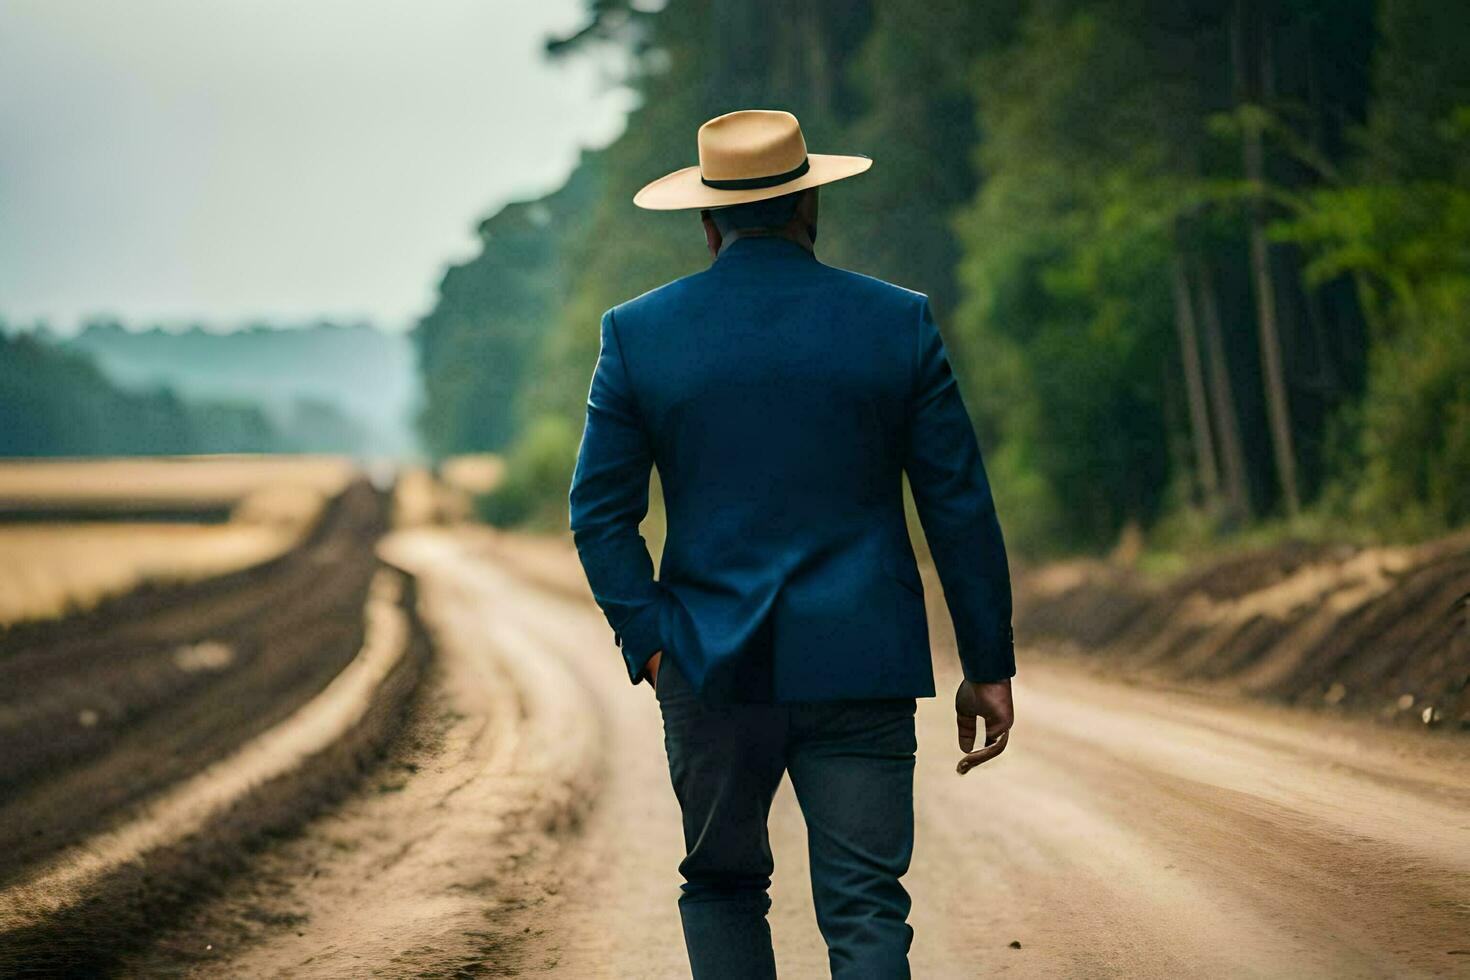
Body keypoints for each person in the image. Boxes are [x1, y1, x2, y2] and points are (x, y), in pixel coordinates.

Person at [569, 109, 1016, 979]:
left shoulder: (638, 334)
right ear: (809, 203)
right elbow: (957, 503)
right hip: (863, 662)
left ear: (707, 219)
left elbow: (599, 515)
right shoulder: (897, 323)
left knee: (725, 889)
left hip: (709, 665)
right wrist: (988, 663)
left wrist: (656, 644)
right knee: (866, 906)